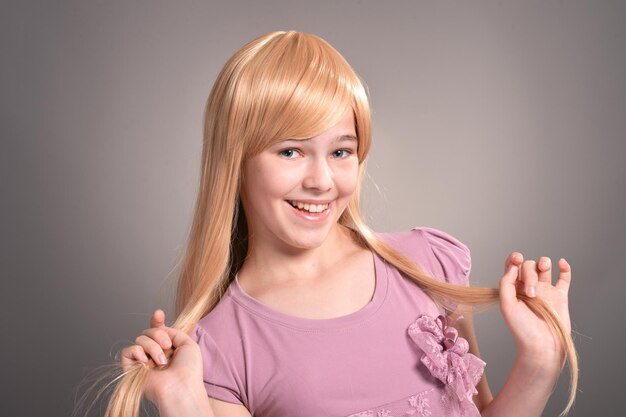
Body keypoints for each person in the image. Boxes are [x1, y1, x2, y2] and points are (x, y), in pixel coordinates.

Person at [108, 31, 577, 417]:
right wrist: (183, 406)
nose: (321, 180)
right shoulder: (222, 348)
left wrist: (539, 363)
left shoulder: (427, 265)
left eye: (340, 152)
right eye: (290, 151)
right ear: (235, 161)